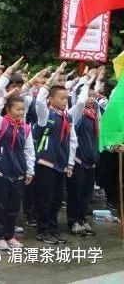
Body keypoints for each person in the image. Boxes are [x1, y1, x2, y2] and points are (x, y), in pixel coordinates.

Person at [33, 63, 79, 245]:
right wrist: (51, 79)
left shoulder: (67, 117)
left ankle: (53, 229)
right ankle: (43, 230)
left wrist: (69, 163)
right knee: (45, 198)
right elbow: (38, 101)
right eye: (61, 98)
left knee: (57, 200)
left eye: (66, 99)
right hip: (46, 161)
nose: (64, 101)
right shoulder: (46, 114)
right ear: (51, 99)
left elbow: (72, 140)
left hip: (61, 163)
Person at [0, 91, 35, 250]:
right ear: (8, 110)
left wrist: (29, 170)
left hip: (18, 173)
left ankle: (9, 235)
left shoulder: (26, 129)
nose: (21, 112)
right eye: (17, 109)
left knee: (14, 208)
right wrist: (5, 96)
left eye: (23, 109)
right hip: (1, 172)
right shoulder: (0, 123)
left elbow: (29, 151)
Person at [67, 72, 99, 237]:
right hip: (79, 159)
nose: (92, 99)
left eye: (94, 96)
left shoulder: (95, 114)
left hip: (90, 159)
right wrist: (86, 82)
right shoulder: (77, 115)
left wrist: (96, 79)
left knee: (87, 193)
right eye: (88, 96)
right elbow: (79, 101)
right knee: (76, 193)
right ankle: (73, 221)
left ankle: (82, 219)